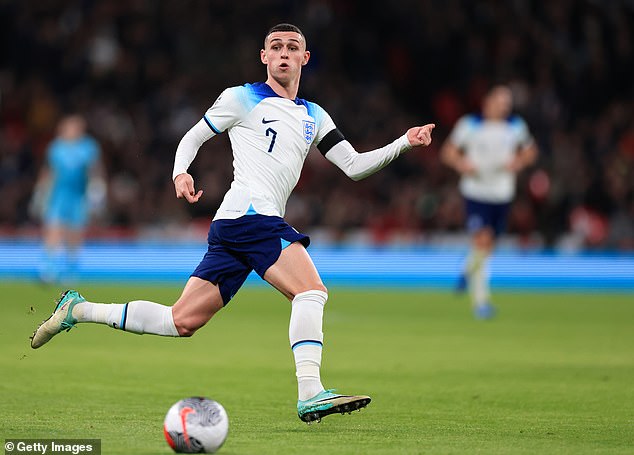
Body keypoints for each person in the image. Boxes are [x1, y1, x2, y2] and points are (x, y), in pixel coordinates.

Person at [31, 24, 435, 423]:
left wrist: (404, 141)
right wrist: (180, 173)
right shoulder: (242, 98)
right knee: (311, 292)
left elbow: (354, 166)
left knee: (181, 321)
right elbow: (192, 137)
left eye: (292, 47)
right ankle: (310, 392)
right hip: (251, 215)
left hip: (234, 224)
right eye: (275, 46)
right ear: (264, 57)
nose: (283, 52)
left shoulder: (314, 115)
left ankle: (79, 311)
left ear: (304, 58)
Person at [440, 85, 538, 319]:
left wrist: (519, 162)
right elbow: (448, 151)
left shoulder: (516, 126)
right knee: (483, 241)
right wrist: (462, 164)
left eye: (508, 102)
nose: (505, 106)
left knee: (486, 247)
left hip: (502, 193)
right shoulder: (470, 124)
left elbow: (531, 151)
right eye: (501, 101)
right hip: (476, 192)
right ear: (488, 101)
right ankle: (481, 303)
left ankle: (466, 269)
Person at [32, 114, 104, 284]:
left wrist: (97, 191)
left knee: (74, 233)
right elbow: (49, 171)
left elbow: (95, 170)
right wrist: (40, 194)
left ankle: (71, 270)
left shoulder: (88, 147)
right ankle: (48, 269)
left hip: (78, 196)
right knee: (53, 229)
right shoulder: (56, 147)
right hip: (59, 195)